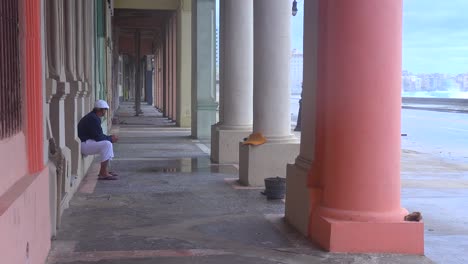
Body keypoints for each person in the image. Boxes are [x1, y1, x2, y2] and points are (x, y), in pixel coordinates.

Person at [78, 100, 119, 180]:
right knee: (107, 144)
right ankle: (103, 173)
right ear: (101, 110)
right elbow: (98, 137)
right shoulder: (93, 118)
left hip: (87, 142)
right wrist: (110, 138)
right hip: (83, 144)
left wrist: (109, 138)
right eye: (105, 110)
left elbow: (98, 135)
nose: (105, 112)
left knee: (107, 144)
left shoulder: (93, 117)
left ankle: (104, 171)